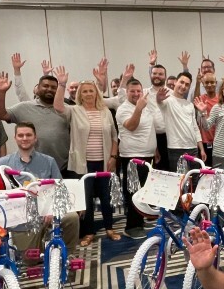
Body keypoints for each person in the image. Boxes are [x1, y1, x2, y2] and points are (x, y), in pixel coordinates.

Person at [54, 74, 121, 244]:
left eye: (92, 90)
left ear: (97, 93)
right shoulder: (74, 110)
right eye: (85, 91)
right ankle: (89, 232)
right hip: (83, 163)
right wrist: (61, 84)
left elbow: (114, 136)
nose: (89, 94)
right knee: (86, 198)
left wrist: (113, 156)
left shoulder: (105, 111)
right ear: (80, 95)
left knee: (106, 197)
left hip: (104, 161)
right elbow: (58, 106)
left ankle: (109, 228)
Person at [0, 122, 80, 254]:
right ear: (15, 138)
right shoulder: (4, 163)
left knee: (72, 217)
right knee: (30, 260)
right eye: (21, 135)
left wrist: (52, 209)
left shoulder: (49, 161)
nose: (24, 138)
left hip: (47, 211)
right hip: (21, 217)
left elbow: (60, 189)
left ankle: (67, 254)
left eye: (28, 135)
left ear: (35, 138)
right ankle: (41, 246)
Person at [0, 57, 71, 173]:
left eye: (53, 87)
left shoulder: (66, 109)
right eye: (45, 86)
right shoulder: (24, 107)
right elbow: (1, 114)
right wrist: (1, 92)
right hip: (33, 168)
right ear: (38, 88)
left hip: (65, 167)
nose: (49, 89)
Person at [116, 80, 156, 239]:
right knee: (134, 191)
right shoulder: (123, 109)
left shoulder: (145, 106)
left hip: (148, 154)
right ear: (127, 92)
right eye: (132, 91)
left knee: (144, 191)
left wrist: (155, 149)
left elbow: (148, 128)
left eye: (138, 91)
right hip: (132, 157)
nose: (136, 94)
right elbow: (131, 126)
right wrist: (138, 109)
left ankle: (139, 220)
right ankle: (131, 226)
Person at [157, 71, 205, 169]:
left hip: (193, 148)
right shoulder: (167, 101)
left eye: (187, 85)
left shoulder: (190, 105)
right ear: (175, 82)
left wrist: (202, 149)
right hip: (176, 149)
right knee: (179, 181)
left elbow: (195, 128)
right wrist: (158, 99)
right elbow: (160, 102)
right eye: (181, 82)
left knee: (194, 181)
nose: (183, 86)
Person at [195, 71, 220, 163]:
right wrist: (197, 82)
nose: (209, 85)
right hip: (205, 141)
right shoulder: (201, 99)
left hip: (218, 141)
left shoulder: (221, 100)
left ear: (216, 83)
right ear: (203, 84)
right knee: (206, 169)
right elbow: (195, 101)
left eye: (212, 82)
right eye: (206, 82)